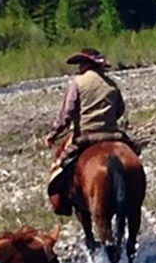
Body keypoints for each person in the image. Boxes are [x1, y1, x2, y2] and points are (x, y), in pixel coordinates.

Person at [45, 48, 131, 209]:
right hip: (113, 134)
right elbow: (120, 110)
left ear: (87, 64)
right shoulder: (112, 84)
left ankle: (64, 204)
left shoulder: (78, 83)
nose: (79, 68)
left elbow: (66, 114)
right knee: (134, 152)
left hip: (86, 136)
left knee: (61, 168)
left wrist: (53, 134)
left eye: (81, 64)